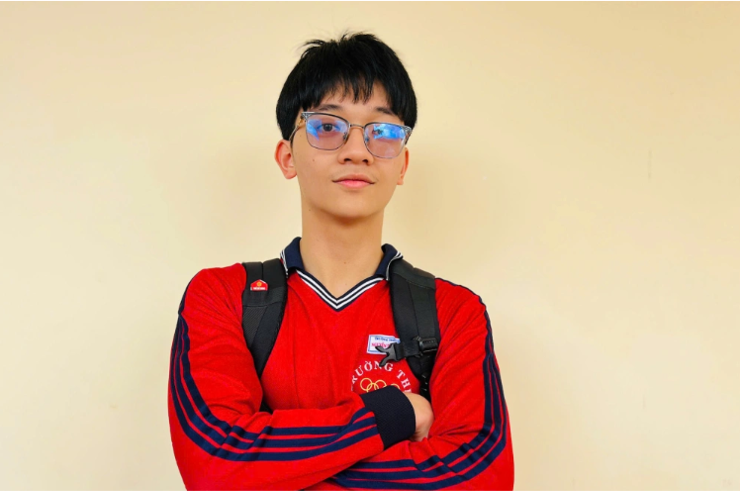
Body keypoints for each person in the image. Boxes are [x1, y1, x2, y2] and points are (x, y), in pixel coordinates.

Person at [167, 31, 514, 491]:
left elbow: (481, 478)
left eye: (382, 132)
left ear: (402, 164)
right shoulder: (222, 297)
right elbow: (216, 467)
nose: (357, 151)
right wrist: (394, 413)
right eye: (327, 127)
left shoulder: (454, 313)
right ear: (287, 157)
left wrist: (276, 471)